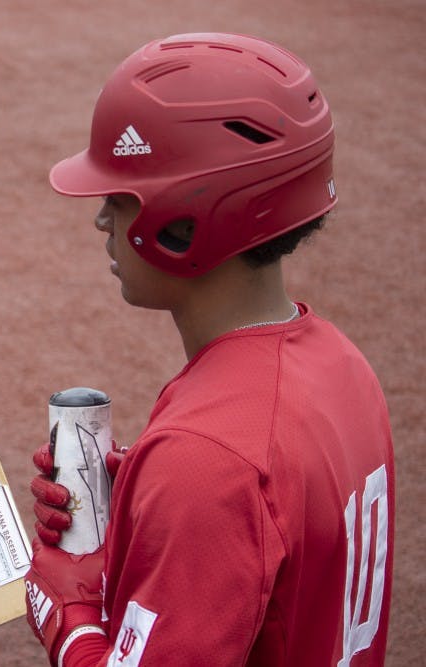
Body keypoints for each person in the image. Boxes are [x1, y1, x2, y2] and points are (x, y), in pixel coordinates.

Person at [23, 33, 394, 666]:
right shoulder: (344, 365)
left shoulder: (207, 459)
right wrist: (148, 500)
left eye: (120, 198)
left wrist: (69, 619)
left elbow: (226, 475)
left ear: (188, 217)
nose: (102, 221)